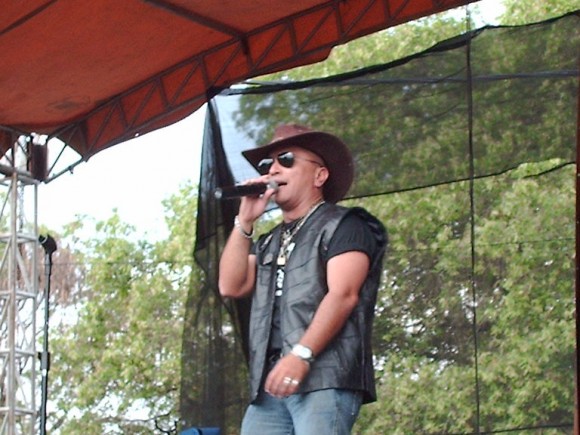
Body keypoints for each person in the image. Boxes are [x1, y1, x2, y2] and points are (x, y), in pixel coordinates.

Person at [218, 123, 387, 435]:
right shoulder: (269, 241)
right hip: (271, 383)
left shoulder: (346, 225)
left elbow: (344, 294)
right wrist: (245, 221)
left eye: (286, 159)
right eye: (267, 164)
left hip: (325, 378)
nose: (273, 169)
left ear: (319, 175)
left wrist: (301, 354)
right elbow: (231, 285)